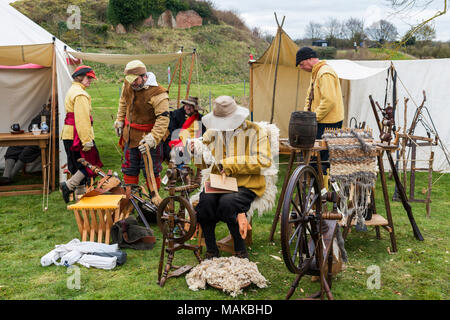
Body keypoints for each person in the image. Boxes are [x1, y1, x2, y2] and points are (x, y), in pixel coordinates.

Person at [189, 96, 272, 259]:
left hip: (247, 184)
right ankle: (212, 250)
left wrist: (229, 164)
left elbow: (264, 161)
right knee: (205, 203)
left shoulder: (255, 131)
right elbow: (205, 165)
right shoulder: (212, 134)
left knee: (228, 202)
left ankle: (240, 251)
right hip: (220, 183)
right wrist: (195, 154)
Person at [114, 60, 169, 190]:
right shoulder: (128, 85)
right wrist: (120, 120)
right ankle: (131, 199)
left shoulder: (159, 93)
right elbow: (123, 102)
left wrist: (153, 138)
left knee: (150, 170)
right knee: (129, 168)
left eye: (135, 80)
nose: (132, 83)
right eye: (130, 80)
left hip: (149, 137)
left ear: (144, 76)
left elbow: (163, 119)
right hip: (130, 136)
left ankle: (153, 201)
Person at [296, 47, 344, 183]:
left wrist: (312, 118)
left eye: (301, 64)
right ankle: (315, 188)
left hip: (328, 123)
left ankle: (321, 191)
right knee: (315, 158)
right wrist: (306, 116)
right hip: (321, 121)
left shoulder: (325, 73)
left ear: (310, 59)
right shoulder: (316, 73)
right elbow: (309, 97)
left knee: (322, 160)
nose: (301, 67)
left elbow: (329, 101)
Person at [60, 65, 103, 203]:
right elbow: (82, 119)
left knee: (77, 166)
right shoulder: (81, 94)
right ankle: (68, 186)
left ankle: (80, 199)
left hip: (69, 134)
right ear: (80, 77)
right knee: (91, 164)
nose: (90, 80)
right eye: (88, 78)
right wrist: (86, 140)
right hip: (77, 135)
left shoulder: (73, 90)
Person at [0, 103, 51, 185]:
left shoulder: (59, 115)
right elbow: (32, 125)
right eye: (49, 102)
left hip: (47, 140)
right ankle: (5, 176)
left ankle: (10, 177)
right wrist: (35, 128)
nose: (49, 104)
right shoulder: (44, 112)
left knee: (29, 149)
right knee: (13, 147)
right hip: (36, 137)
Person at [166, 96, 206, 165]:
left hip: (194, 142)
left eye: (191, 106)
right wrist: (179, 144)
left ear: (195, 108)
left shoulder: (200, 119)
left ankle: (200, 173)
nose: (188, 107)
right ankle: (180, 170)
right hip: (178, 142)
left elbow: (203, 135)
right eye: (186, 105)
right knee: (179, 152)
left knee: (203, 150)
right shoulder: (176, 115)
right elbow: (172, 132)